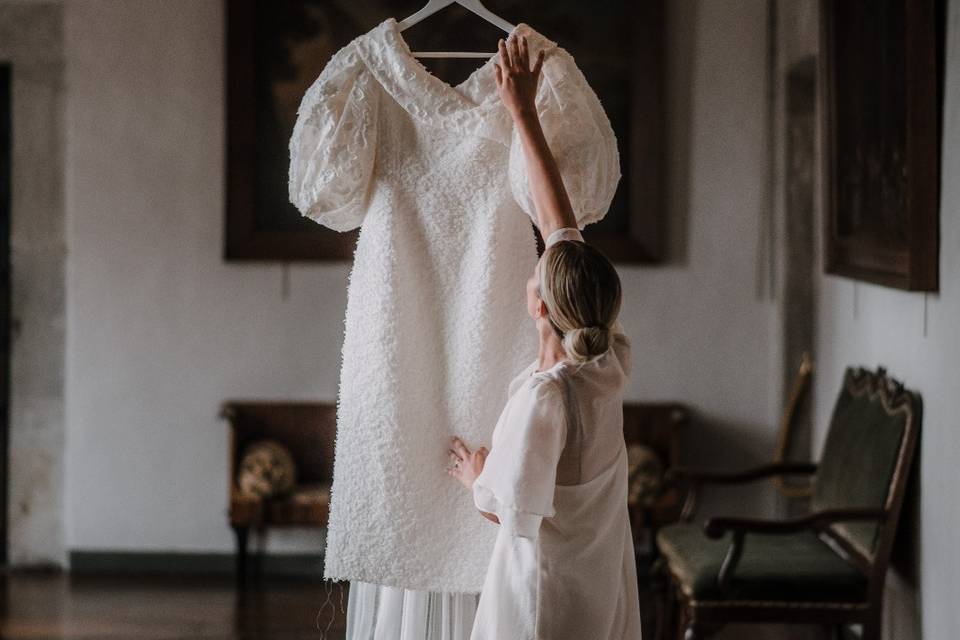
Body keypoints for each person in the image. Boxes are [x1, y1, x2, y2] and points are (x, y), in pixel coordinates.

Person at [446, 34, 643, 640]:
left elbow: (507, 511)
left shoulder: (546, 400)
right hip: (600, 577)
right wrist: (522, 111)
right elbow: (561, 225)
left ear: (538, 303)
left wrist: (475, 473)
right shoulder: (606, 356)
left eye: (535, 270)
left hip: (546, 597)